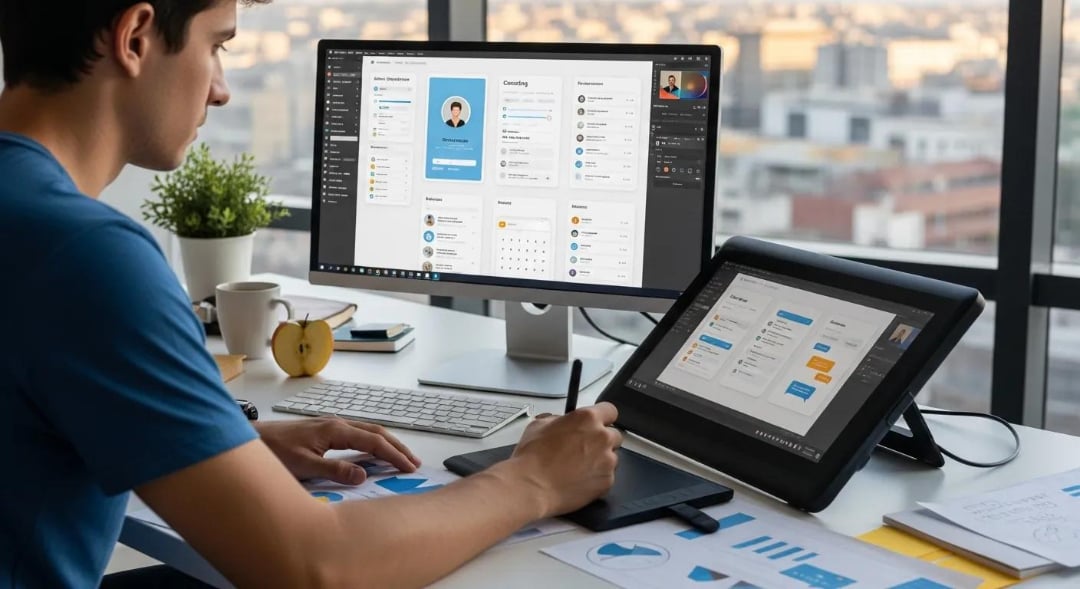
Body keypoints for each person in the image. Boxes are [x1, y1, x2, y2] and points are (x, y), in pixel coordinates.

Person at [0, 2, 622, 588]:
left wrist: (220, 452)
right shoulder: (83, 255)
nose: (220, 89)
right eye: (215, 46)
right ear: (135, 38)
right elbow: (315, 566)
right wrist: (534, 479)